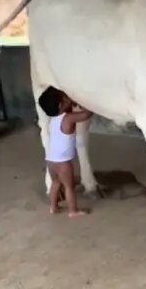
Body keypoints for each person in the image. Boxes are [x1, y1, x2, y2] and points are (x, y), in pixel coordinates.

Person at [38, 87, 93, 217]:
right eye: (66, 97)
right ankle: (72, 211)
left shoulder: (53, 120)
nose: (69, 97)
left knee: (56, 183)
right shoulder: (68, 118)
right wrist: (88, 104)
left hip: (51, 160)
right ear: (60, 104)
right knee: (69, 186)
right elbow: (86, 115)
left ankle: (53, 207)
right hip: (63, 162)